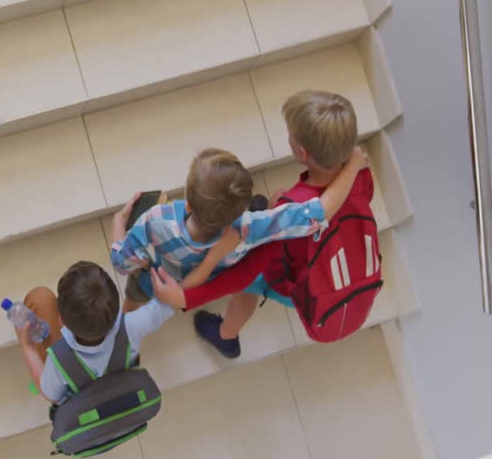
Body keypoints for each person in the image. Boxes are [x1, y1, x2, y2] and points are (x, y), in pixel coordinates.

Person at [150, 90, 368, 357]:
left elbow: (243, 273)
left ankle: (226, 336)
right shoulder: (358, 174)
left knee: (248, 282)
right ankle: (227, 335)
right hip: (346, 281)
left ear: (301, 152)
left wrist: (186, 298)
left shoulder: (291, 219)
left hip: (308, 289)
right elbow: (336, 208)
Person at [109, 141, 364, 356]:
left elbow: (121, 263)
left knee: (135, 293)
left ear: (188, 204)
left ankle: (123, 338)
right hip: (213, 274)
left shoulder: (156, 219)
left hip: (155, 280)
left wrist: (118, 222)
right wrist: (352, 165)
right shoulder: (249, 226)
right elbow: (317, 213)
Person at [15, 261, 172, 404]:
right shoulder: (133, 325)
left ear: (61, 321)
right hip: (117, 380)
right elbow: (170, 303)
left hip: (80, 391)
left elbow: (51, 395)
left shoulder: (58, 362)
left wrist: (27, 347)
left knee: (40, 296)